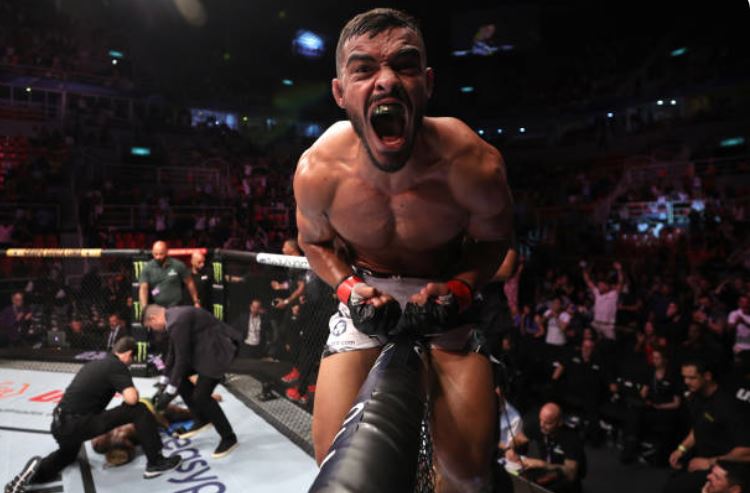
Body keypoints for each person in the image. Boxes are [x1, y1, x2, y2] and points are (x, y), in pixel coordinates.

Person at [293, 8, 513, 491]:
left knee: (468, 472)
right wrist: (348, 288)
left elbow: (496, 239)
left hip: (446, 293)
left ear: (427, 83)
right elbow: (313, 242)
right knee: (335, 462)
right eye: (364, 69)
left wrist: (462, 287)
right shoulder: (318, 169)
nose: (387, 80)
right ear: (340, 93)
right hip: (365, 295)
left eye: (405, 65)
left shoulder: (472, 163)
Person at [3, 337, 181, 493]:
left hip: (60, 424)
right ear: (127, 354)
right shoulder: (116, 365)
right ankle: (156, 463)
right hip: (78, 424)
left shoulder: (94, 364)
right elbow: (132, 399)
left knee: (67, 456)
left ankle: (30, 475)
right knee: (140, 409)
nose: (131, 363)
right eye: (132, 359)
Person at [142, 304, 241, 459]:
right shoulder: (172, 317)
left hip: (218, 351)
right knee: (180, 380)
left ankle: (229, 437)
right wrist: (163, 383)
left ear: (153, 318)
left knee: (201, 396)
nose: (153, 329)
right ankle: (202, 418)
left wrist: (169, 393)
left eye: (150, 326)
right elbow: (172, 353)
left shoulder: (176, 321)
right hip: (204, 351)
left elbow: (181, 359)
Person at [665, 360, 750, 493]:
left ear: (707, 376)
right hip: (701, 458)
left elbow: (746, 451)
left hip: (723, 467)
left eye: (692, 378)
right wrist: (681, 449)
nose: (686, 382)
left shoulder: (728, 406)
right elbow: (699, 427)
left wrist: (709, 462)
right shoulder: (696, 397)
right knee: (672, 481)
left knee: (675, 488)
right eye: (684, 377)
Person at [505, 403, 584, 493]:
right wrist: (510, 449)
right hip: (545, 472)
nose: (542, 425)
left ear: (559, 422)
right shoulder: (539, 424)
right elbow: (518, 439)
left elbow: (571, 473)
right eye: (541, 420)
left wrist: (542, 464)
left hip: (564, 479)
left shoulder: (571, 438)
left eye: (548, 423)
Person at [138, 241, 200, 309]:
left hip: (176, 307)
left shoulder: (178, 265)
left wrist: (196, 301)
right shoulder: (147, 268)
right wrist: (144, 308)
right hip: (157, 309)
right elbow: (143, 288)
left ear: (166, 252)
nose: (158, 257)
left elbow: (190, 282)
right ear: (152, 252)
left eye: (161, 254)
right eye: (156, 254)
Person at [582, 261, 624, 341]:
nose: (599, 286)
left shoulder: (613, 294)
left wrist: (619, 270)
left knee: (610, 344)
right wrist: (584, 269)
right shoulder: (597, 292)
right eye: (598, 285)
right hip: (596, 324)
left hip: (607, 326)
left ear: (607, 286)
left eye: (601, 285)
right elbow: (587, 280)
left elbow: (620, 282)